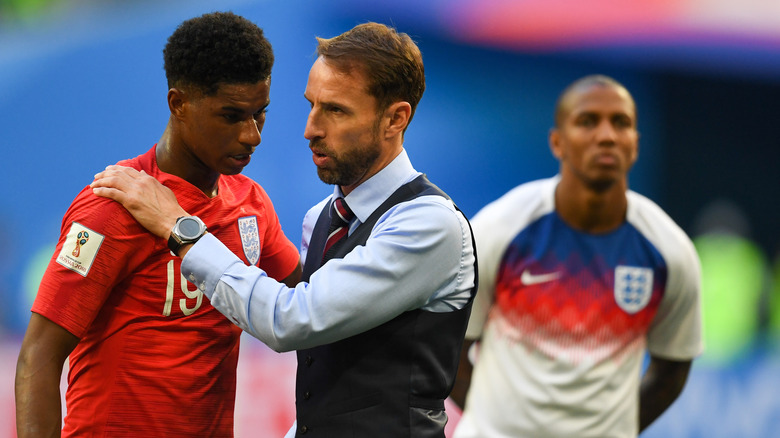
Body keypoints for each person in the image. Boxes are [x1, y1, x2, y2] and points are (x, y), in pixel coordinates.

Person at [90, 21, 477, 437]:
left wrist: (179, 228)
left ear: (395, 119)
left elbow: (290, 321)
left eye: (336, 110)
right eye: (312, 105)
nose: (311, 129)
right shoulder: (323, 217)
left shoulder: (428, 224)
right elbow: (329, 376)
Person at [15, 12, 301, 437]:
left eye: (260, 113)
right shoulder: (112, 206)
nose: (252, 135)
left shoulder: (250, 205)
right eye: (231, 115)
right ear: (178, 103)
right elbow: (39, 355)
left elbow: (311, 309)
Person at [450, 75, 703, 438]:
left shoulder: (669, 251)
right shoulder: (499, 229)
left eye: (621, 123)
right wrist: (493, 426)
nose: (606, 136)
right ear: (558, 142)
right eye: (587, 121)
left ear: (635, 144)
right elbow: (450, 350)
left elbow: (672, 370)